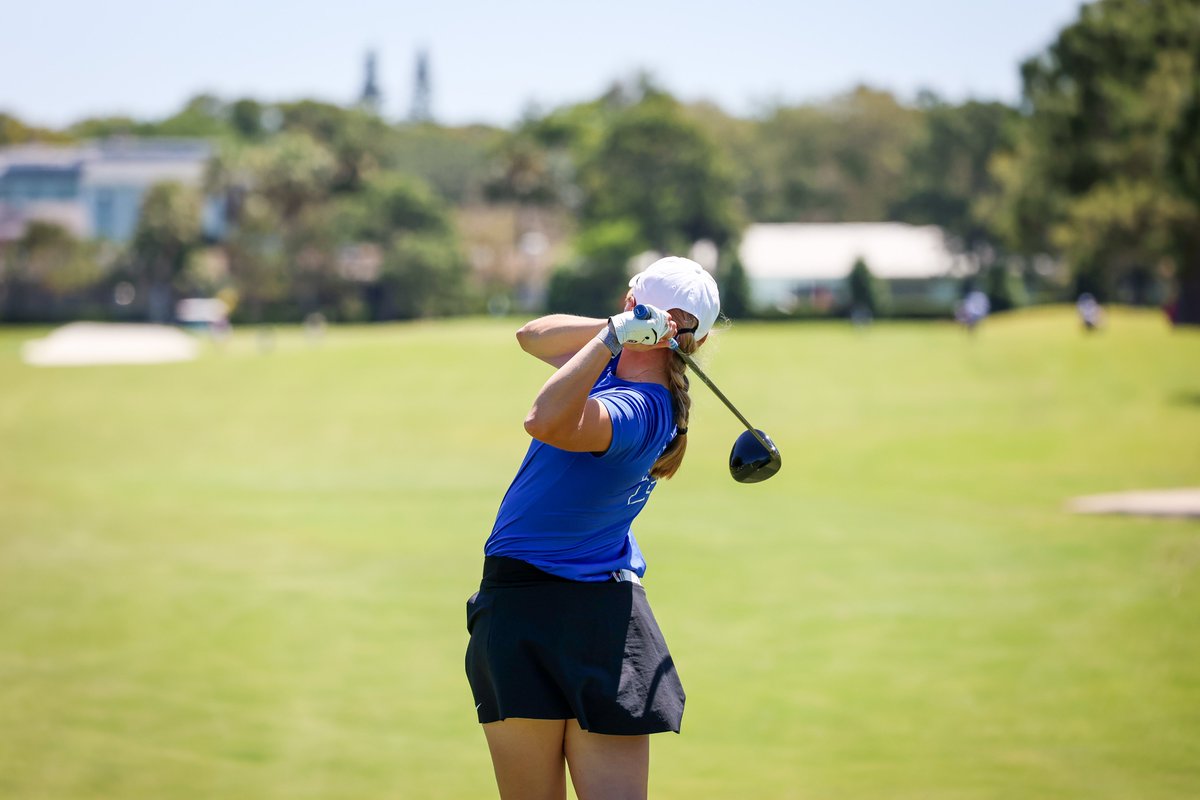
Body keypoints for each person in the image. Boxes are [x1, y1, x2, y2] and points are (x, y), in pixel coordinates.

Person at [465, 256, 721, 800]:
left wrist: (615, 335)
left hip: (574, 617)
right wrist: (617, 333)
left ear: (635, 304)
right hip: (543, 609)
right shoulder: (610, 367)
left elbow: (545, 419)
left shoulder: (640, 409)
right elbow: (531, 336)